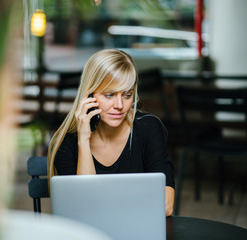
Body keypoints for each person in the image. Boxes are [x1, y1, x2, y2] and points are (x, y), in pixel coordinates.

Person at [47, 49, 175, 216]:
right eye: (109, 95)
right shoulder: (67, 142)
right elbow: (85, 208)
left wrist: (103, 204)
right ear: (89, 95)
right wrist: (84, 140)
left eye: (127, 95)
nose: (120, 105)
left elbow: (166, 205)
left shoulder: (148, 128)